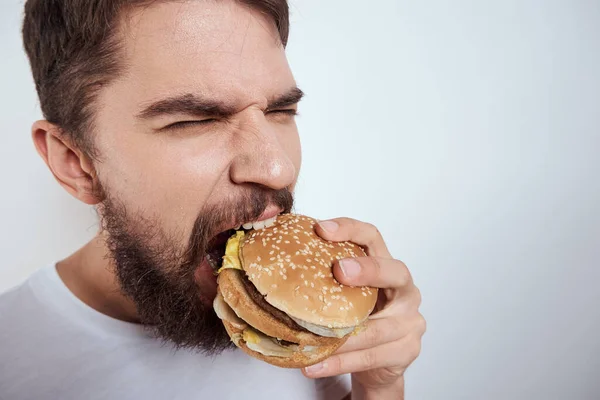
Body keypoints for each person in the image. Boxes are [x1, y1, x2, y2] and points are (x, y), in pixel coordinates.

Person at [0, 1, 426, 399]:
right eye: (196, 119)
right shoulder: (12, 360)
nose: (277, 169)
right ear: (76, 162)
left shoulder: (315, 336)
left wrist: (379, 387)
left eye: (281, 112)